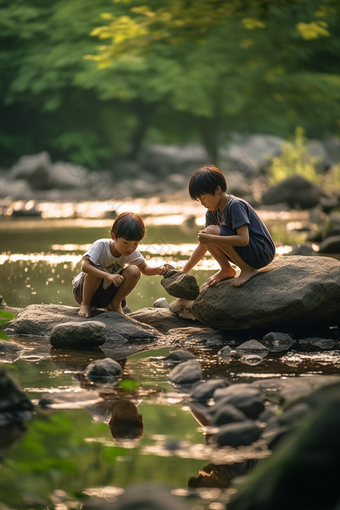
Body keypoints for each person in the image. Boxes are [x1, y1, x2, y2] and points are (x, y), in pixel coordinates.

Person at [183, 165, 275, 287]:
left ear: (217, 189)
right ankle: (226, 269)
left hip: (261, 252)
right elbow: (205, 243)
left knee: (210, 232)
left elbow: (244, 239)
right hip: (247, 253)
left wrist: (211, 238)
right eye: (199, 200)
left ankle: (247, 270)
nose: (203, 204)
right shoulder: (212, 212)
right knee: (207, 233)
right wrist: (183, 272)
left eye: (204, 198)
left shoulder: (235, 205)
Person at [73, 211, 170, 317]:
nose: (130, 248)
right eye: (125, 243)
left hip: (107, 295)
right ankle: (86, 305)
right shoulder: (101, 246)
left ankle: (114, 303)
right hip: (84, 292)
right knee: (95, 272)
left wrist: (158, 270)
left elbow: (144, 268)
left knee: (134, 270)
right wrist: (108, 275)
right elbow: (85, 267)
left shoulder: (132, 252)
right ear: (113, 236)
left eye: (135, 244)